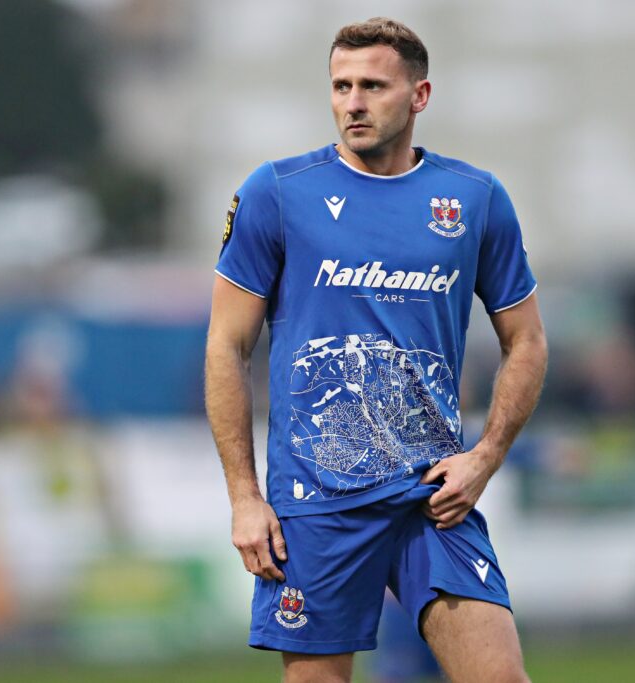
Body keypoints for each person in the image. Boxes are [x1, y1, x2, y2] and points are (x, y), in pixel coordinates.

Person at [205, 17, 547, 683]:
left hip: (432, 495)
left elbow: (527, 340)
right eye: (341, 86)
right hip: (318, 501)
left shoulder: (474, 200)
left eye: (372, 86)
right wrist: (244, 497)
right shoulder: (277, 194)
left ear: (419, 96)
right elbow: (226, 344)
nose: (353, 102)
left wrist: (485, 457)